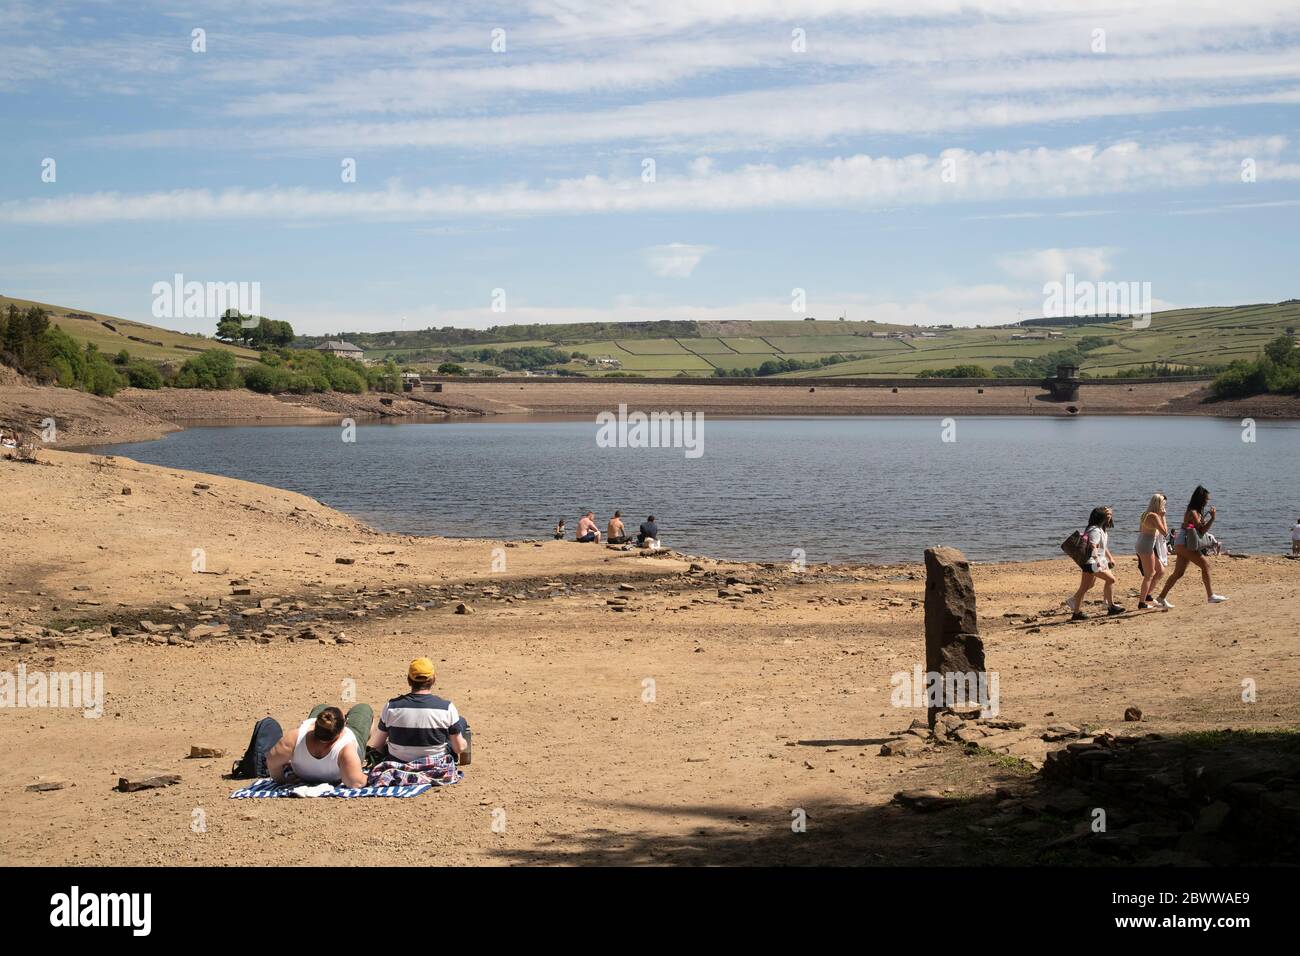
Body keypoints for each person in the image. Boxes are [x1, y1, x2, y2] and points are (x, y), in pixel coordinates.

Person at [369, 658, 469, 764]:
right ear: (433, 679)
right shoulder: (447, 707)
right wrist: (464, 743)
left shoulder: (391, 707)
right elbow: (459, 748)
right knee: (460, 722)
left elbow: (378, 745)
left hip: (399, 763)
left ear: (409, 680)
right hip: (434, 764)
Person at [265, 703, 372, 788]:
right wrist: (369, 778)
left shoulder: (294, 738)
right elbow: (356, 783)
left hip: (302, 774)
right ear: (342, 729)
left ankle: (325, 717)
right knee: (363, 709)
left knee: (321, 707)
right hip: (341, 760)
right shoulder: (346, 750)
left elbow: (272, 762)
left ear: (315, 724)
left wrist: (282, 780)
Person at [1157, 485, 1228, 605]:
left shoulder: (1194, 512)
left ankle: (1161, 598)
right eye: (1206, 499)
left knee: (1178, 573)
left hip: (1181, 543)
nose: (1207, 501)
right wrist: (1212, 518)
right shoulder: (1193, 513)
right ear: (1200, 499)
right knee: (1206, 566)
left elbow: (1193, 527)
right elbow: (1201, 531)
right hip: (1185, 543)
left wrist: (1200, 522)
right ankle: (1210, 596)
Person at [1066, 506, 1124, 620]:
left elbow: (1103, 547)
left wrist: (1110, 558)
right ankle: (1110, 606)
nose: (1110, 517)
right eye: (1107, 515)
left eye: (1110, 515)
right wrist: (1098, 561)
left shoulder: (1100, 528)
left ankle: (1076, 612)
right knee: (1111, 580)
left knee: (1087, 586)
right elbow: (1093, 546)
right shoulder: (1095, 530)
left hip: (1093, 561)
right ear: (1101, 517)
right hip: (1091, 562)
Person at [1135, 493, 1170, 609]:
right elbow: (1165, 532)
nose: (1164, 508)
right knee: (1149, 575)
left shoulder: (1145, 514)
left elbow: (1141, 529)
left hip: (1143, 543)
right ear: (1158, 504)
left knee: (1160, 571)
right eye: (1163, 505)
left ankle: (1148, 594)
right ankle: (1142, 603)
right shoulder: (1155, 516)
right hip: (1146, 546)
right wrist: (1163, 517)